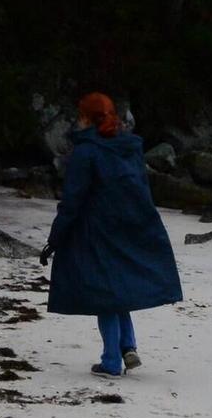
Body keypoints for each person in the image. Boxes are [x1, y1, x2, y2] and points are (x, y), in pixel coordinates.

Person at [39, 93, 182, 377]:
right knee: (117, 291)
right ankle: (127, 346)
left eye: (81, 115)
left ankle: (111, 361)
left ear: (87, 118)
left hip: (97, 231)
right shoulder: (128, 147)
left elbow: (72, 202)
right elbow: (141, 189)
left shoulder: (86, 152)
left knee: (104, 293)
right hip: (129, 226)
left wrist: (54, 240)